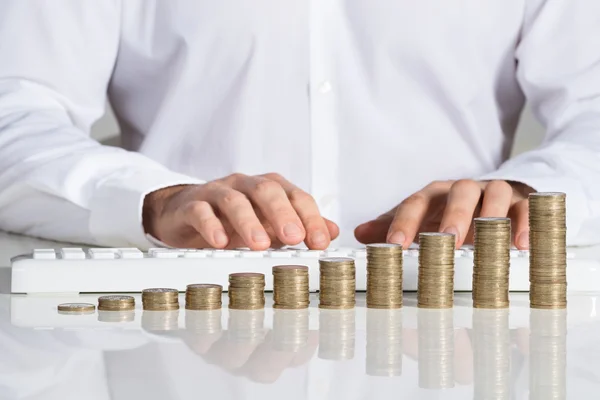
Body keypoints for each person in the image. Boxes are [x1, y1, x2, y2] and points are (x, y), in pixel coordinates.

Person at [0, 1, 599, 251]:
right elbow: (15, 111)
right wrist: (151, 200)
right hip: (174, 339)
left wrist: (528, 197)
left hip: (463, 338)